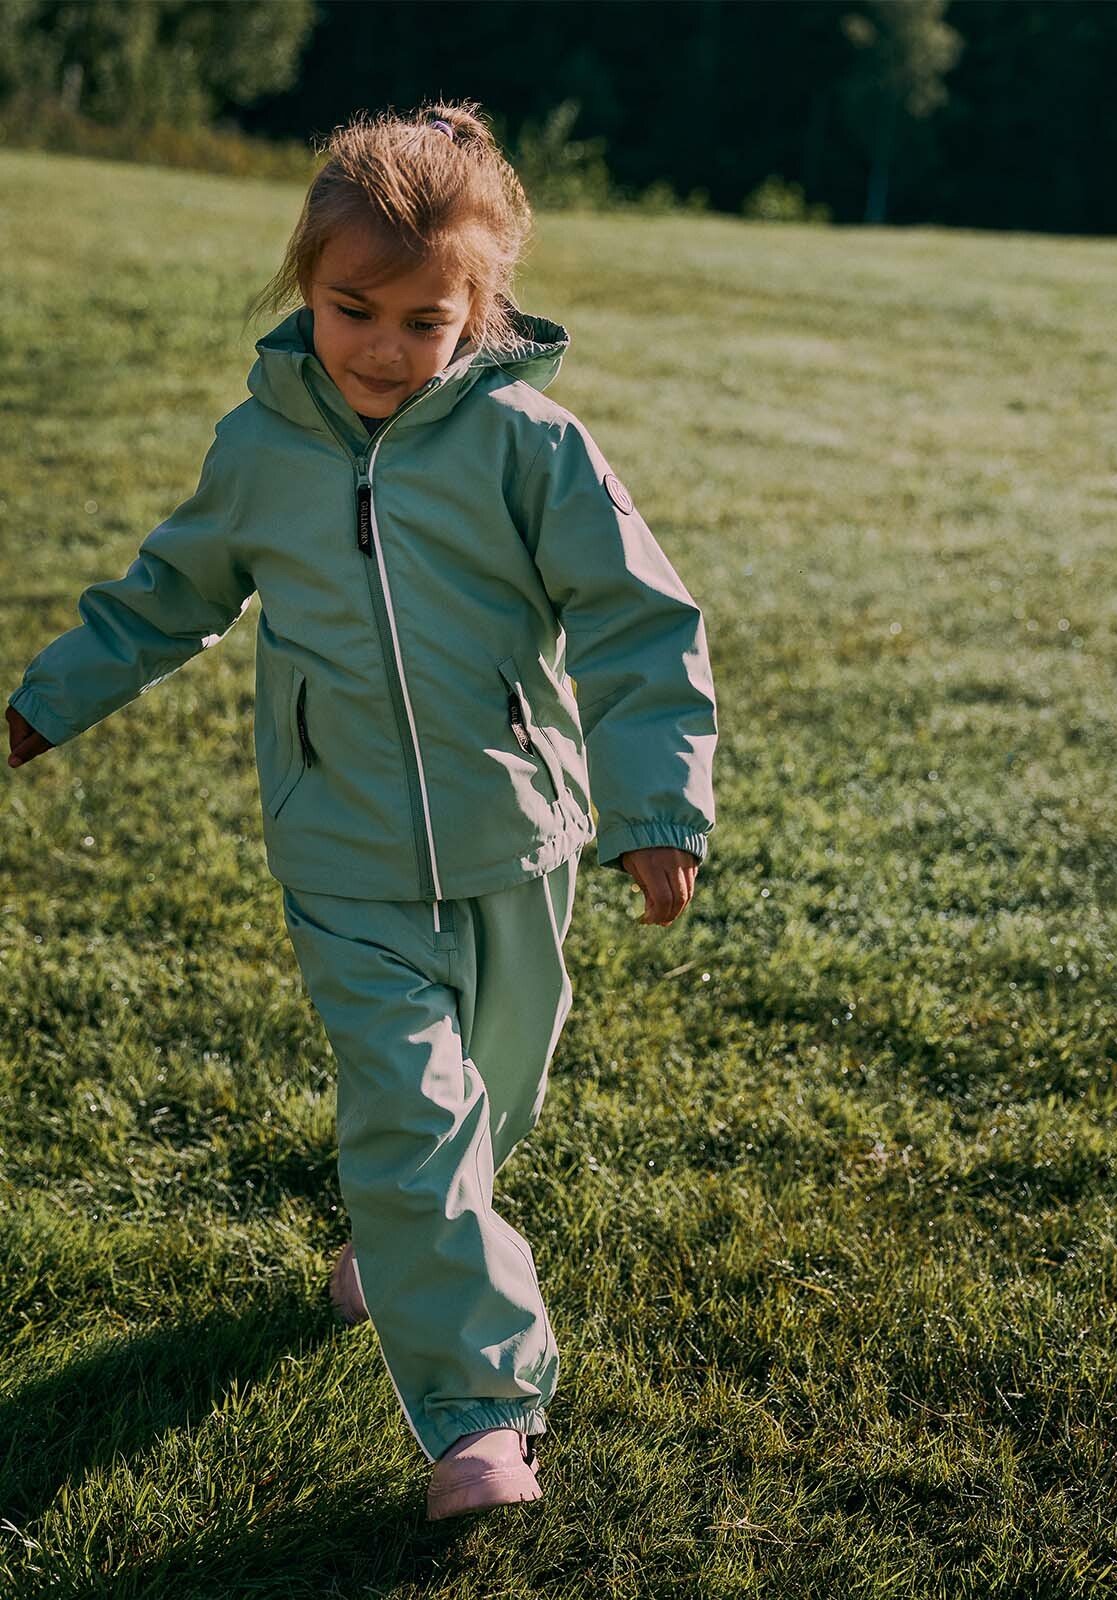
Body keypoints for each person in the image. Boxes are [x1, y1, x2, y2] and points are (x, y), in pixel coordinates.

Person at [5, 100, 718, 1521]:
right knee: (413, 1115)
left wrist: (659, 805)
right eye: (352, 310)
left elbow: (640, 623)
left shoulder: (534, 445)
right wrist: (40, 704)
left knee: (489, 1100)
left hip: (521, 841)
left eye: (423, 321)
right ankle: (481, 1418)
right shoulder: (264, 449)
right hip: (343, 852)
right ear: (303, 288)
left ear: (483, 309)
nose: (384, 349)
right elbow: (165, 600)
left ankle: (401, 1244)